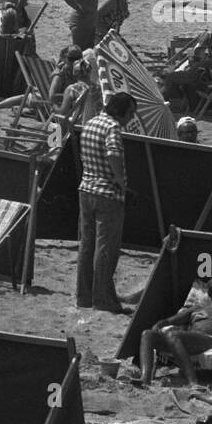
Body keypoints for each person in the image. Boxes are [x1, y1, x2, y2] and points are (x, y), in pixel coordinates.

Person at [77, 92, 137, 313]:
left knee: (87, 245)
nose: (130, 118)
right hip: (107, 194)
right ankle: (102, 300)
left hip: (86, 189)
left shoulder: (91, 122)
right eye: (130, 113)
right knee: (106, 248)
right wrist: (121, 182)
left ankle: (84, 297)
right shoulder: (112, 128)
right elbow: (113, 153)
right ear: (120, 111)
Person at [138, 274, 212, 386]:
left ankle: (193, 382)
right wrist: (158, 325)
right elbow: (169, 322)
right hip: (185, 340)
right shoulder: (196, 309)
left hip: (209, 341)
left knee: (173, 335)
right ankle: (145, 380)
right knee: (147, 334)